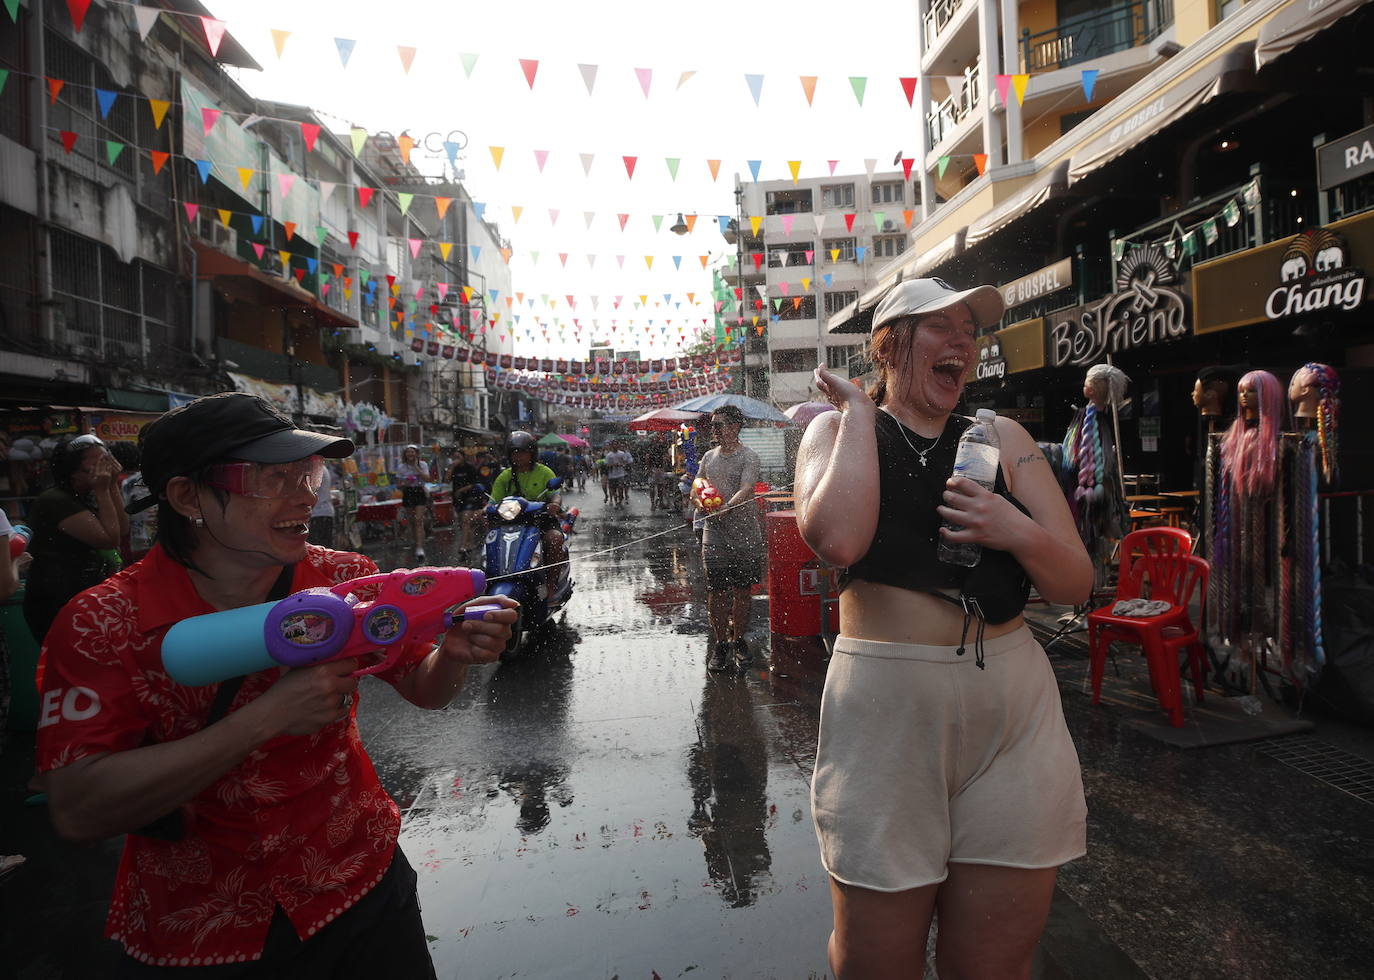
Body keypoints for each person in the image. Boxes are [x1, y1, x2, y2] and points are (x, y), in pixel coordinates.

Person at [33, 392, 516, 976]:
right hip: (198, 926)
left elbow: (425, 687)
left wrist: (456, 656)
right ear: (188, 496)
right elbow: (79, 809)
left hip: (362, 884)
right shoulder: (100, 622)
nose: (304, 497)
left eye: (306, 473)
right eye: (268, 478)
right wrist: (267, 717)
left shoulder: (349, 580)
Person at [794, 278, 1093, 980]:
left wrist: (1011, 527)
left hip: (1012, 715)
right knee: (876, 961)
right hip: (886, 716)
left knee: (995, 963)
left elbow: (1074, 583)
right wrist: (863, 418)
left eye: (972, 329)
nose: (964, 340)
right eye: (942, 327)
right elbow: (837, 539)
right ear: (891, 344)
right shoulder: (836, 429)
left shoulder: (1003, 438)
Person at [22, 434, 129, 643]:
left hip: (80, 591)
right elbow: (109, 539)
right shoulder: (56, 500)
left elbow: (122, 528)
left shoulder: (81, 497)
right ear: (73, 470)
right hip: (56, 597)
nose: (103, 465)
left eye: (106, 458)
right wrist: (102, 489)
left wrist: (112, 485)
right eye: (96, 461)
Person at [696, 406, 763, 673]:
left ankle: (738, 640)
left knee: (742, 590)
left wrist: (727, 507)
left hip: (744, 534)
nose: (714, 430)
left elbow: (747, 488)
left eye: (719, 425)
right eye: (713, 426)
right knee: (716, 591)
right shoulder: (708, 458)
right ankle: (721, 643)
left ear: (735, 427)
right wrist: (700, 503)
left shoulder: (749, 457)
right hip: (714, 534)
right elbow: (698, 485)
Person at [489, 431, 567, 577]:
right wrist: (483, 510)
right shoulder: (504, 476)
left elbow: (555, 495)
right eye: (514, 452)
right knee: (490, 542)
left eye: (523, 452)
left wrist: (554, 505)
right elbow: (493, 501)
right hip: (510, 523)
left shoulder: (544, 472)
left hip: (541, 520)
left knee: (555, 538)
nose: (518, 456)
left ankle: (551, 589)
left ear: (532, 453)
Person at [447, 449, 485, 560]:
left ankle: (463, 545)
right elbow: (446, 480)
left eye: (458, 457)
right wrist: (451, 467)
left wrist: (461, 490)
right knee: (464, 523)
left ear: (463, 457)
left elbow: (473, 483)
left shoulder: (470, 468)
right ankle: (469, 544)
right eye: (454, 457)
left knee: (465, 520)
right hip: (458, 499)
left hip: (470, 498)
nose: (456, 460)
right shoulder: (454, 468)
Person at [395, 444, 430, 561]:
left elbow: (427, 479)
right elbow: (398, 485)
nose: (410, 454)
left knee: (418, 520)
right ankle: (417, 543)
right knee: (412, 521)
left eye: (412, 452)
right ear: (405, 454)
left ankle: (420, 547)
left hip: (419, 492)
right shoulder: (401, 467)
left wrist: (417, 468)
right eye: (408, 452)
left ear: (416, 453)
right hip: (408, 492)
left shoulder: (423, 464)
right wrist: (405, 483)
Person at [307, 459, 336, 548]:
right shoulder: (322, 468)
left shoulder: (316, 469)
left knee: (317, 548)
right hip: (324, 512)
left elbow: (310, 492)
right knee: (324, 548)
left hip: (318, 513)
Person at [604, 442, 633, 507]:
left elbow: (626, 462)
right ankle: (616, 501)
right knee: (613, 489)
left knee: (620, 488)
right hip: (612, 475)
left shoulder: (622, 454)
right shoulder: (609, 455)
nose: (615, 446)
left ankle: (620, 502)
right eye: (614, 444)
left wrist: (621, 464)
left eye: (616, 444)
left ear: (618, 445)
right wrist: (613, 465)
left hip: (620, 474)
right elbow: (606, 465)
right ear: (612, 446)